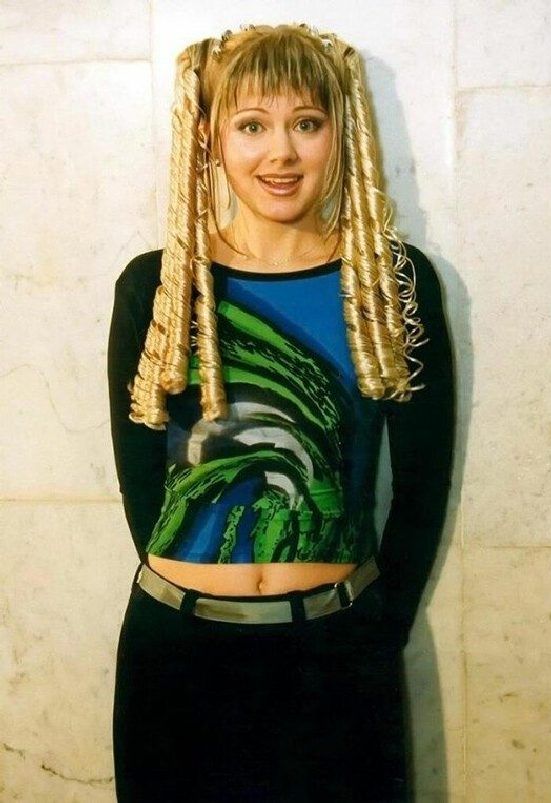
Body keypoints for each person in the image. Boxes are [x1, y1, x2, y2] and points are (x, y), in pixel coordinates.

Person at [107, 22, 454, 803]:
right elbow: (142, 483)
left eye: (306, 122)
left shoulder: (392, 283)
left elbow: (421, 485)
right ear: (209, 137)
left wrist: (372, 633)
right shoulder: (157, 287)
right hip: (177, 661)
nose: (282, 153)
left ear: (341, 131)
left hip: (337, 659)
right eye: (252, 126)